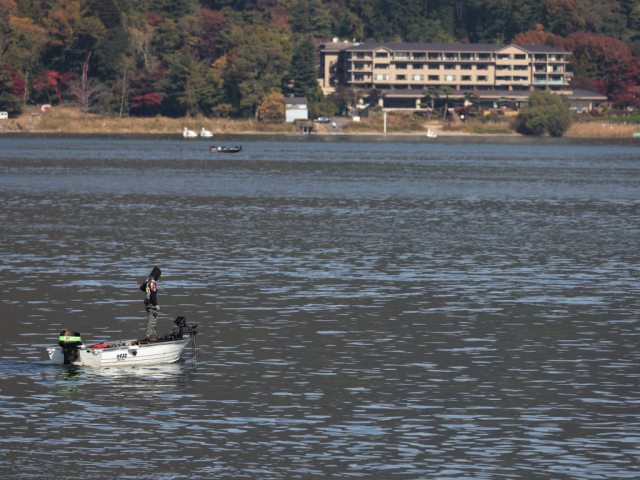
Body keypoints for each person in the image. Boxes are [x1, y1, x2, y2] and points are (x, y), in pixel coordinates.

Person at [142, 267, 162, 340]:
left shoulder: (148, 280)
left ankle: (153, 335)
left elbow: (141, 288)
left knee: (154, 318)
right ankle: (149, 336)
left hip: (147, 303)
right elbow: (153, 294)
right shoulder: (153, 282)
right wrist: (156, 305)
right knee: (152, 320)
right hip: (151, 304)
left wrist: (145, 282)